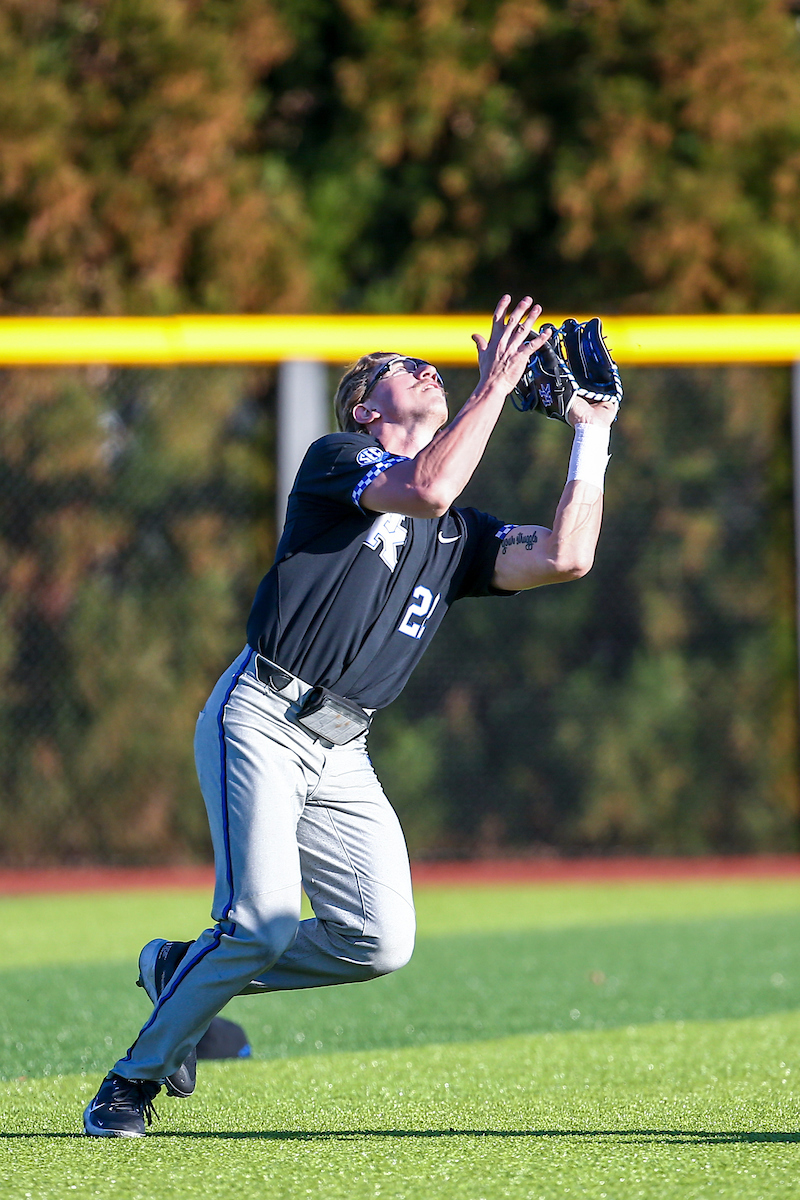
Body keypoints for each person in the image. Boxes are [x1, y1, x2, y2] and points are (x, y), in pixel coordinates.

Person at [83, 295, 618, 1137]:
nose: (427, 370)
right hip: (261, 715)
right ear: (368, 408)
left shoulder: (458, 538)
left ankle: (187, 968)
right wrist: (494, 386)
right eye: (407, 368)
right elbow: (432, 485)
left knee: (378, 942)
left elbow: (567, 555)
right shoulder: (340, 460)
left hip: (345, 750)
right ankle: (130, 1083)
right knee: (257, 923)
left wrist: (591, 430)